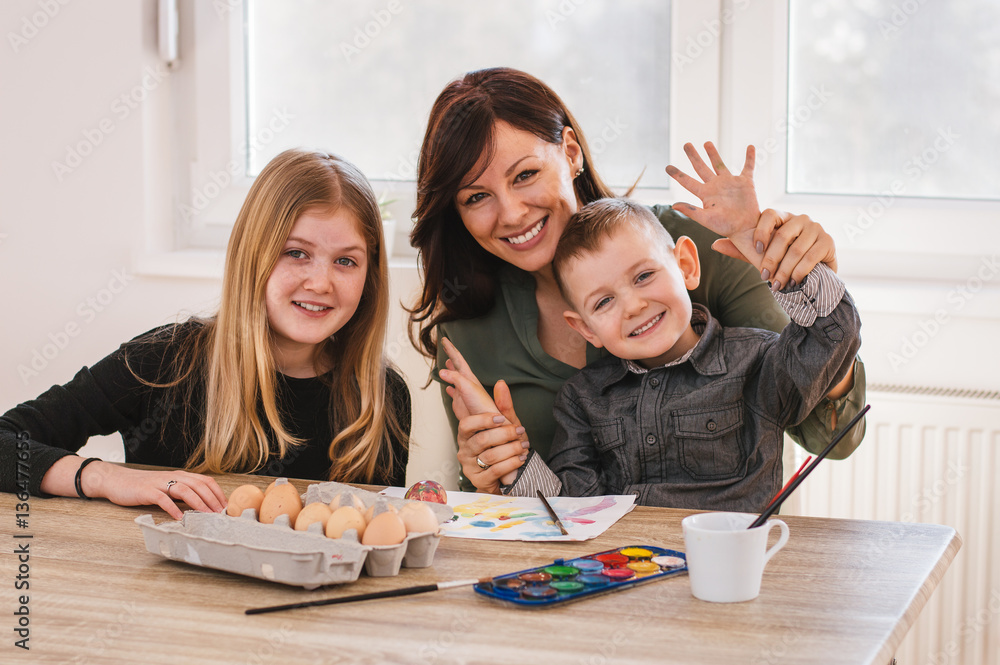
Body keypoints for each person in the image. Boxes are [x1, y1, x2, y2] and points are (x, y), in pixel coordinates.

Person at [407, 67, 866, 493]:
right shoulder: (466, 326)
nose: (509, 213)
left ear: (570, 152)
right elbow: (498, 507)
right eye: (476, 197)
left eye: (525, 175)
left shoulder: (700, 244)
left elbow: (834, 438)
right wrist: (490, 472)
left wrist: (810, 280)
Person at [0, 149, 410, 519]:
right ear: (252, 256)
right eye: (296, 253)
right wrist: (106, 476)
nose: (321, 283)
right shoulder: (163, 362)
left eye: (345, 261)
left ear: (369, 277)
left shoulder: (382, 396)